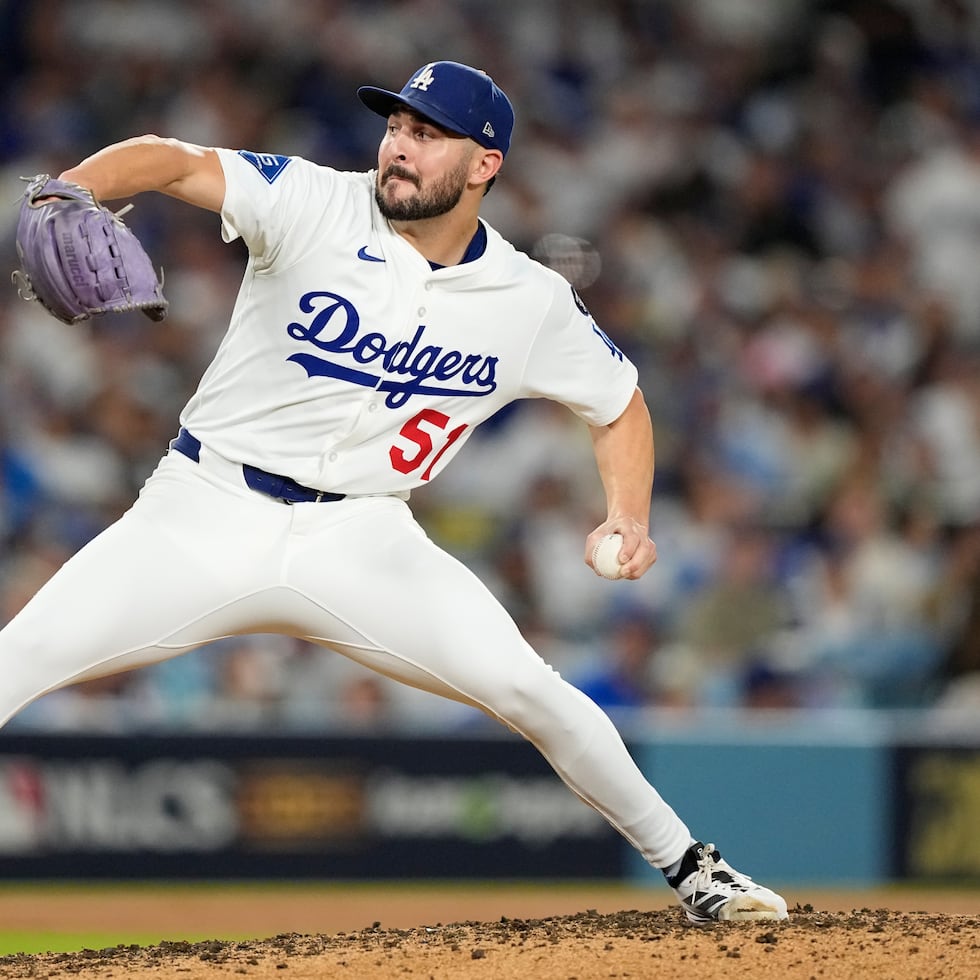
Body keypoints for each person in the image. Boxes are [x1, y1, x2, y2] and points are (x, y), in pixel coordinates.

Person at [2, 61, 787, 924]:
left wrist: (627, 514)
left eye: (427, 134)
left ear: (485, 163)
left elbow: (621, 404)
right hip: (204, 510)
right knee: (20, 655)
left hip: (365, 540)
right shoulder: (311, 200)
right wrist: (66, 190)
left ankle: (694, 871)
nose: (399, 148)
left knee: (532, 688)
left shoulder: (529, 299)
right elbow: (167, 157)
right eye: (395, 128)